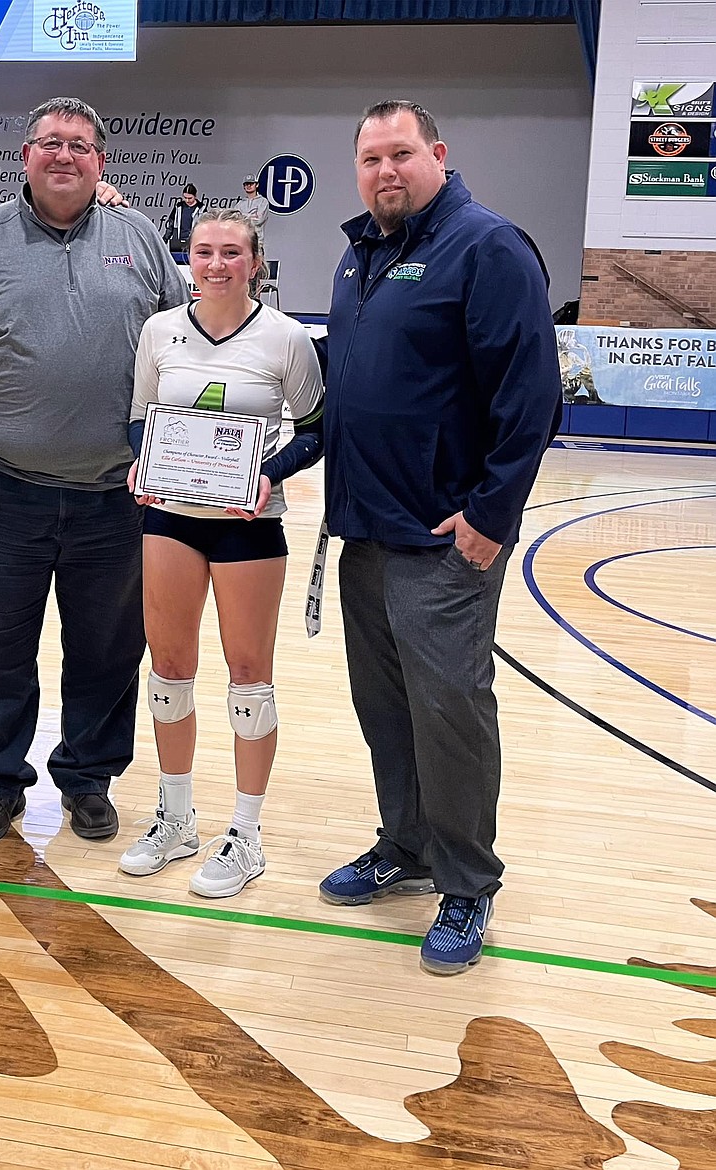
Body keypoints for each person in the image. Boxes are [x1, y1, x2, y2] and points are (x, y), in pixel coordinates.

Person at [316, 100, 561, 974]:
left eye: (401, 154)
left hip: (445, 541)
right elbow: (350, 386)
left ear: (439, 155)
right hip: (366, 533)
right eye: (371, 157)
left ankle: (467, 884)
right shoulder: (360, 257)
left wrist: (492, 517)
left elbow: (530, 396)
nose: (386, 171)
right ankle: (407, 846)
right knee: (385, 710)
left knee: (450, 714)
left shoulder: (488, 247)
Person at [0, 96, 188, 847]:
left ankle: (89, 777)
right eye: (50, 143)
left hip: (119, 497)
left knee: (107, 650)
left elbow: (185, 355)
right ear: (25, 156)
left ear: (102, 161)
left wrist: (183, 465)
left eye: (80, 145)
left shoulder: (139, 239)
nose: (64, 155)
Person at [122, 208, 322, 897]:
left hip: (248, 523)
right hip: (170, 518)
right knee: (170, 668)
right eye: (204, 251)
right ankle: (176, 817)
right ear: (190, 259)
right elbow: (139, 418)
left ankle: (246, 833)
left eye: (231, 253)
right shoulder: (159, 332)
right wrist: (142, 461)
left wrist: (271, 471)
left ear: (254, 263)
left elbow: (318, 429)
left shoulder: (287, 339)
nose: (215, 264)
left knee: (248, 676)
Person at [163, 183, 204, 254]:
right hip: (178, 241)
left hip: (195, 241)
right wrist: (164, 240)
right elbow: (171, 225)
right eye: (185, 198)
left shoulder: (201, 209)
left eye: (190, 198)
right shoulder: (178, 207)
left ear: (195, 196)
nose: (187, 200)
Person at [234, 175, 269, 245]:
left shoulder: (263, 201)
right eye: (246, 184)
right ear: (243, 186)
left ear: (257, 185)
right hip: (242, 241)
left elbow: (259, 220)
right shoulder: (240, 204)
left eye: (251, 184)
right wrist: (252, 215)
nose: (249, 186)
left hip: (257, 242)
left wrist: (242, 217)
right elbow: (235, 221)